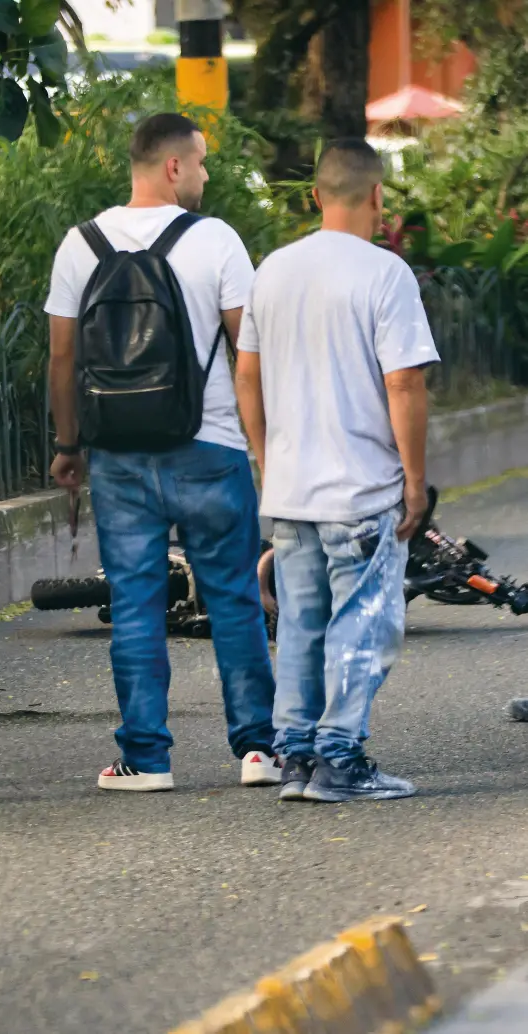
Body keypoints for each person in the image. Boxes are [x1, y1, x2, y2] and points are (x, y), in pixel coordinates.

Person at [45, 113, 278, 792]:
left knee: (136, 606)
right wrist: (263, 445)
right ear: (173, 166)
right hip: (210, 447)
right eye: (200, 161)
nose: (205, 174)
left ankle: (146, 758)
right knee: (234, 600)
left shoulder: (80, 244)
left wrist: (68, 445)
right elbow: (249, 354)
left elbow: (62, 359)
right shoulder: (216, 240)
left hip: (118, 456)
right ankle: (259, 750)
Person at [234, 138, 440, 804]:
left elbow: (247, 377)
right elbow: (404, 382)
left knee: (301, 624)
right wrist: (414, 482)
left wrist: (268, 460)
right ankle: (341, 759)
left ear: (316, 195)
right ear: (377, 196)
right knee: (363, 625)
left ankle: (296, 756)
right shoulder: (385, 274)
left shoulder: (273, 271)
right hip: (361, 492)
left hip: (291, 491)